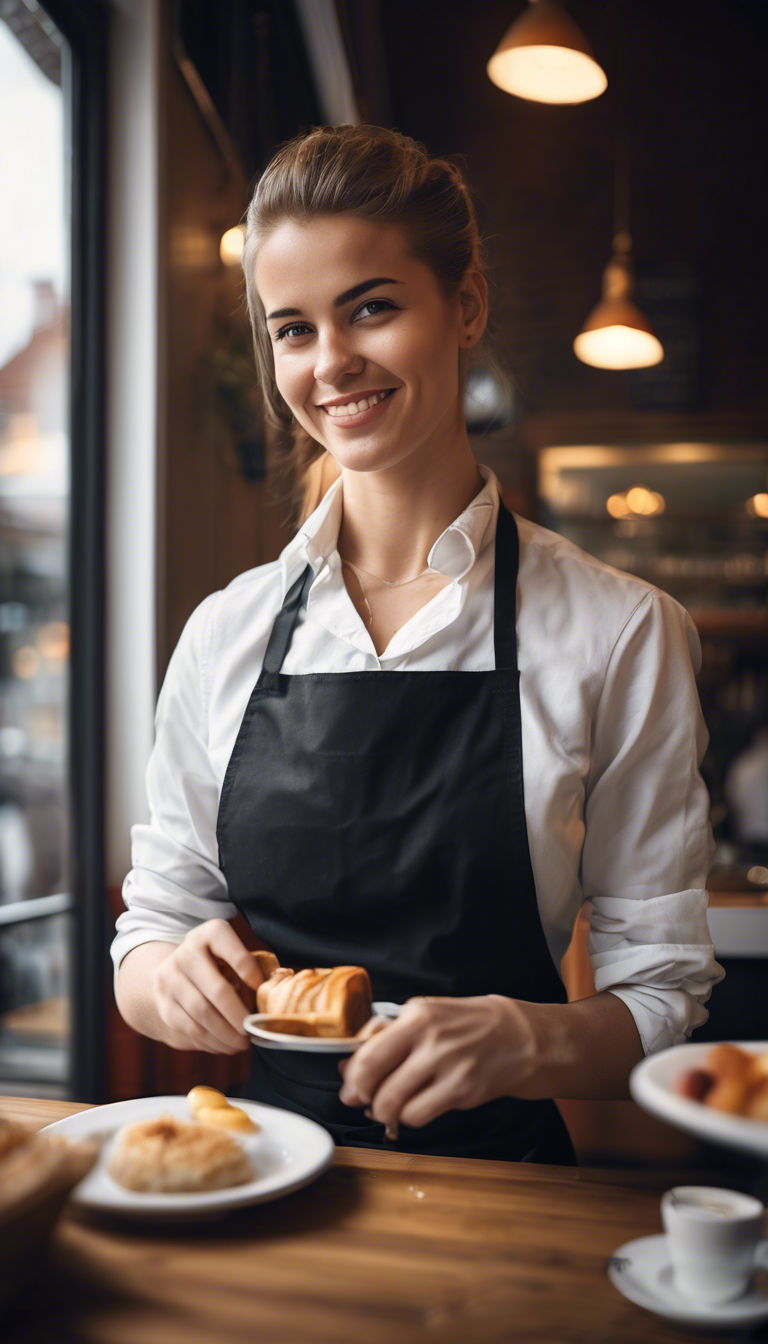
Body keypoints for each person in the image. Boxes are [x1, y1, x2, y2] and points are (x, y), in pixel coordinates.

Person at [113, 124, 723, 1163]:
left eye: (372, 308)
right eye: (292, 329)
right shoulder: (225, 633)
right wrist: (167, 982)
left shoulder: (620, 630)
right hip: (263, 1172)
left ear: (466, 306)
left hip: (504, 1193)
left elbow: (660, 994)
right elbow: (149, 934)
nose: (330, 362)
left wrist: (528, 1039)